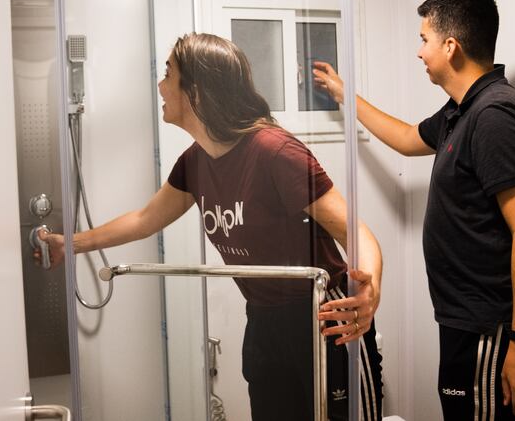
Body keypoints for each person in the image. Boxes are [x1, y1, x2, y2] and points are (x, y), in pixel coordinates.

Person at [38, 33, 383, 421]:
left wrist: (369, 290)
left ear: (196, 92)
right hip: (264, 320)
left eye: (168, 73)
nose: (159, 84)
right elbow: (145, 219)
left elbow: (355, 232)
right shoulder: (195, 161)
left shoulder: (275, 151)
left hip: (324, 316)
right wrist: (69, 244)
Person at [313, 0, 515, 420]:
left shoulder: (496, 114)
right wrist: (346, 96)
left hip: (490, 327)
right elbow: (406, 138)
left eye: (424, 40)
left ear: (451, 45)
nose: (420, 52)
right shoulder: (462, 110)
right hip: (464, 320)